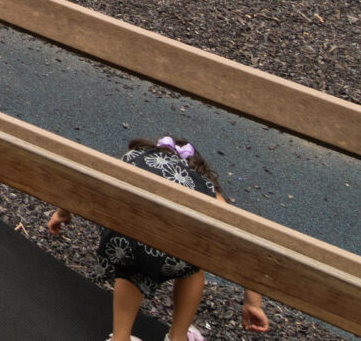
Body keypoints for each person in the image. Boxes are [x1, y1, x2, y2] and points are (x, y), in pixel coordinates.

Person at [46, 137, 271, 341]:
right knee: (194, 264)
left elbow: (86, 181)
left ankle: (120, 338)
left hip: (122, 240)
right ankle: (178, 336)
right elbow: (243, 243)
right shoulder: (206, 188)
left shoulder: (137, 158)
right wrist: (253, 302)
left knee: (133, 259)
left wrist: (63, 213)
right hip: (175, 251)